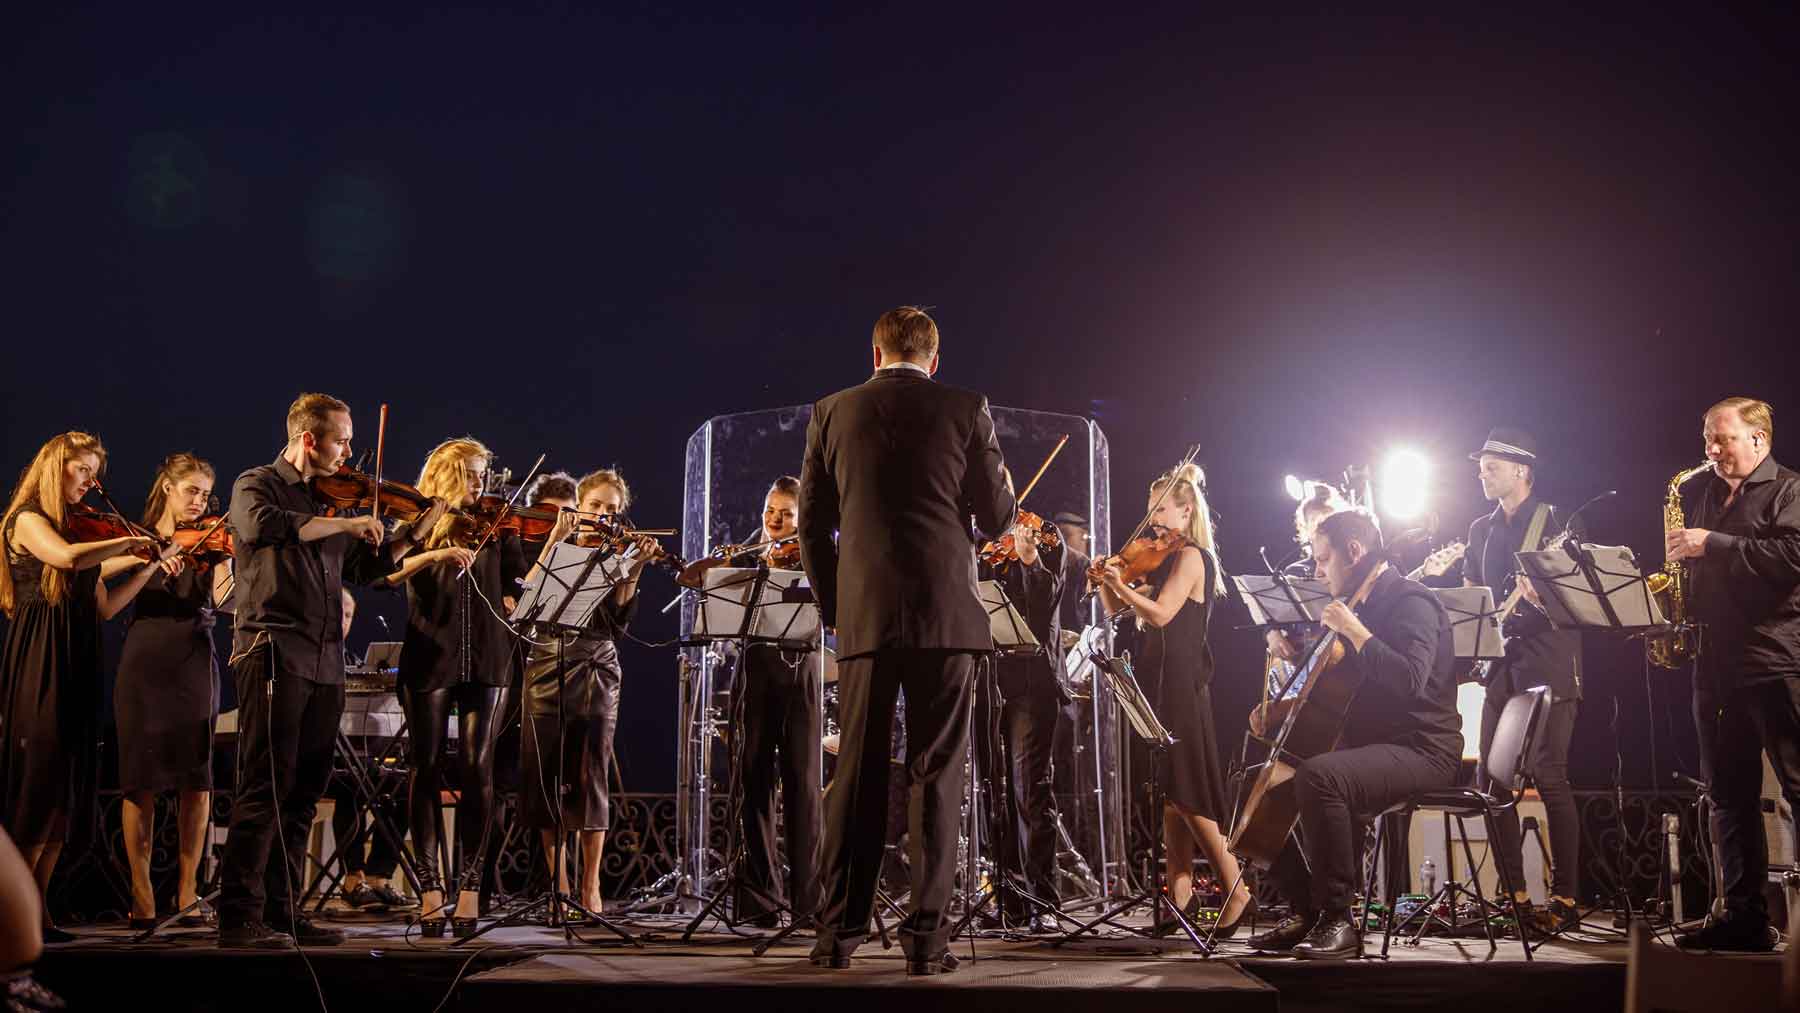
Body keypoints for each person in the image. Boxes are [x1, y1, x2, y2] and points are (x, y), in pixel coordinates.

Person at [798, 305, 1016, 975]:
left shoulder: (831, 411)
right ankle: (926, 939)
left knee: (856, 773)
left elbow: (811, 525)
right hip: (947, 617)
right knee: (936, 773)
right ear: (935, 358)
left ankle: (837, 935)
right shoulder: (966, 406)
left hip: (866, 617)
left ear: (874, 353)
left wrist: (840, 610)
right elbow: (999, 512)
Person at [216, 393, 450, 949]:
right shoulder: (256, 485)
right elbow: (262, 528)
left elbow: (367, 568)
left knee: (302, 791)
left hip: (323, 660)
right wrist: (339, 523)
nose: (350, 452)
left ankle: (282, 912)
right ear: (308, 440)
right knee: (265, 785)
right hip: (272, 647)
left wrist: (413, 533)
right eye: (343, 440)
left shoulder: (334, 506)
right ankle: (238, 917)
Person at [1247, 510, 1462, 959]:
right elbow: (1334, 692)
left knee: (1321, 778)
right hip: (1374, 746)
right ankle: (1307, 911)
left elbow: (1408, 681)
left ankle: (1338, 920)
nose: (1318, 571)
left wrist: (1355, 630)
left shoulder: (1410, 601)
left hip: (1424, 749)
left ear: (1355, 552)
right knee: (1251, 783)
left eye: (1324, 559)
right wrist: (1279, 711)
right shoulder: (1358, 608)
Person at [1, 431, 179, 942]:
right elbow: (66, 558)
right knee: (36, 789)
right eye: (81, 470)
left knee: (63, 791)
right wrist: (131, 540)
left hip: (78, 660)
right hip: (41, 661)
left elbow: (101, 606)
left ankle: (39, 912)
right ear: (56, 467)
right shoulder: (29, 520)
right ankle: (11, 918)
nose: (90, 481)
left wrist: (148, 565)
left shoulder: (79, 529)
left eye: (94, 471)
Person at [1092, 463, 1252, 936]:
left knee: (1188, 791)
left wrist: (1120, 584)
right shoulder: (1161, 558)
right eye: (1150, 511)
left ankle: (1237, 888)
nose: (1153, 521)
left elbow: (1160, 615)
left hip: (1182, 682)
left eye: (1162, 510)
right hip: (1159, 679)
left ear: (1186, 511)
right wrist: (1108, 578)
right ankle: (1178, 898)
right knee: (1168, 797)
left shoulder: (1192, 558)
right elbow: (1115, 610)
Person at [1669, 397, 1800, 952]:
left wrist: (1713, 544)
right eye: (1707, 440)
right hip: (1714, 662)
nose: (1712, 450)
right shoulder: (1698, 492)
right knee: (1727, 794)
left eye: (1722, 439)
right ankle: (1742, 916)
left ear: (1759, 440)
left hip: (1774, 659)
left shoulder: (1790, 489)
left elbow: (1792, 555)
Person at [1442, 427, 1584, 933]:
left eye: (1492, 465)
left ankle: (1565, 899)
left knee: (1549, 774)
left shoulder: (1556, 521)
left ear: (1522, 470)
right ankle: (1516, 898)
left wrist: (1542, 594)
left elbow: (1577, 600)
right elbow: (1472, 595)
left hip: (1548, 660)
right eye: (1480, 464)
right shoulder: (1480, 529)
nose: (1481, 471)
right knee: (1492, 782)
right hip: (1500, 664)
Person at [385, 438, 528, 937]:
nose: (479, 484)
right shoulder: (416, 521)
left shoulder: (497, 521)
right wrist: (435, 554)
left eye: (482, 474)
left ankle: (469, 888)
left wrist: (545, 555)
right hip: (430, 654)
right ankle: (428, 888)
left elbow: (517, 586)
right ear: (445, 474)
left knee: (478, 766)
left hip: (490, 656)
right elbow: (386, 572)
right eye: (469, 473)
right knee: (424, 766)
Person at [517, 468, 660, 917]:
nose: (602, 514)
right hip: (546, 662)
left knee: (589, 779)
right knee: (546, 781)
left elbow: (617, 624)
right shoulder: (554, 546)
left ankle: (590, 886)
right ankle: (558, 886)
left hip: (597, 666)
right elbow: (529, 606)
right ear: (579, 504)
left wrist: (633, 570)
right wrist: (553, 543)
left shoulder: (616, 555)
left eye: (611, 509)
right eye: (595, 505)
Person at [114, 453, 234, 929]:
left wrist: (233, 561)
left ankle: (188, 891)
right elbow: (101, 586)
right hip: (144, 662)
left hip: (194, 659)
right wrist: (147, 557)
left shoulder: (213, 541)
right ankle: (141, 894)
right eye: (192, 492)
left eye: (206, 495)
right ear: (167, 487)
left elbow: (224, 601)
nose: (200, 502)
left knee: (196, 781)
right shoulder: (135, 537)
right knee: (138, 780)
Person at [976, 489, 1090, 933]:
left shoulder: (1046, 540)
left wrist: (1028, 561)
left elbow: (1046, 610)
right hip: (989, 682)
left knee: (1030, 792)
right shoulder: (977, 544)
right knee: (993, 792)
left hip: (1033, 685)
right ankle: (1008, 901)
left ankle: (1044, 901)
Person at [726, 476, 822, 927]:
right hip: (756, 670)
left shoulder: (815, 556)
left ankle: (809, 905)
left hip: (801, 670)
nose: (774, 520)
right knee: (754, 783)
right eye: (769, 510)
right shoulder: (749, 556)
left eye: (785, 513)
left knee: (803, 788)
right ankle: (760, 902)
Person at [326, 587, 408, 912]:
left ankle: (379, 875)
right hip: (326, 763)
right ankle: (351, 877)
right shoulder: (312, 658)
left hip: (363, 759)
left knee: (405, 786)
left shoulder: (351, 660)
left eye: (348, 616)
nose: (343, 621)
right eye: (338, 614)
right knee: (352, 783)